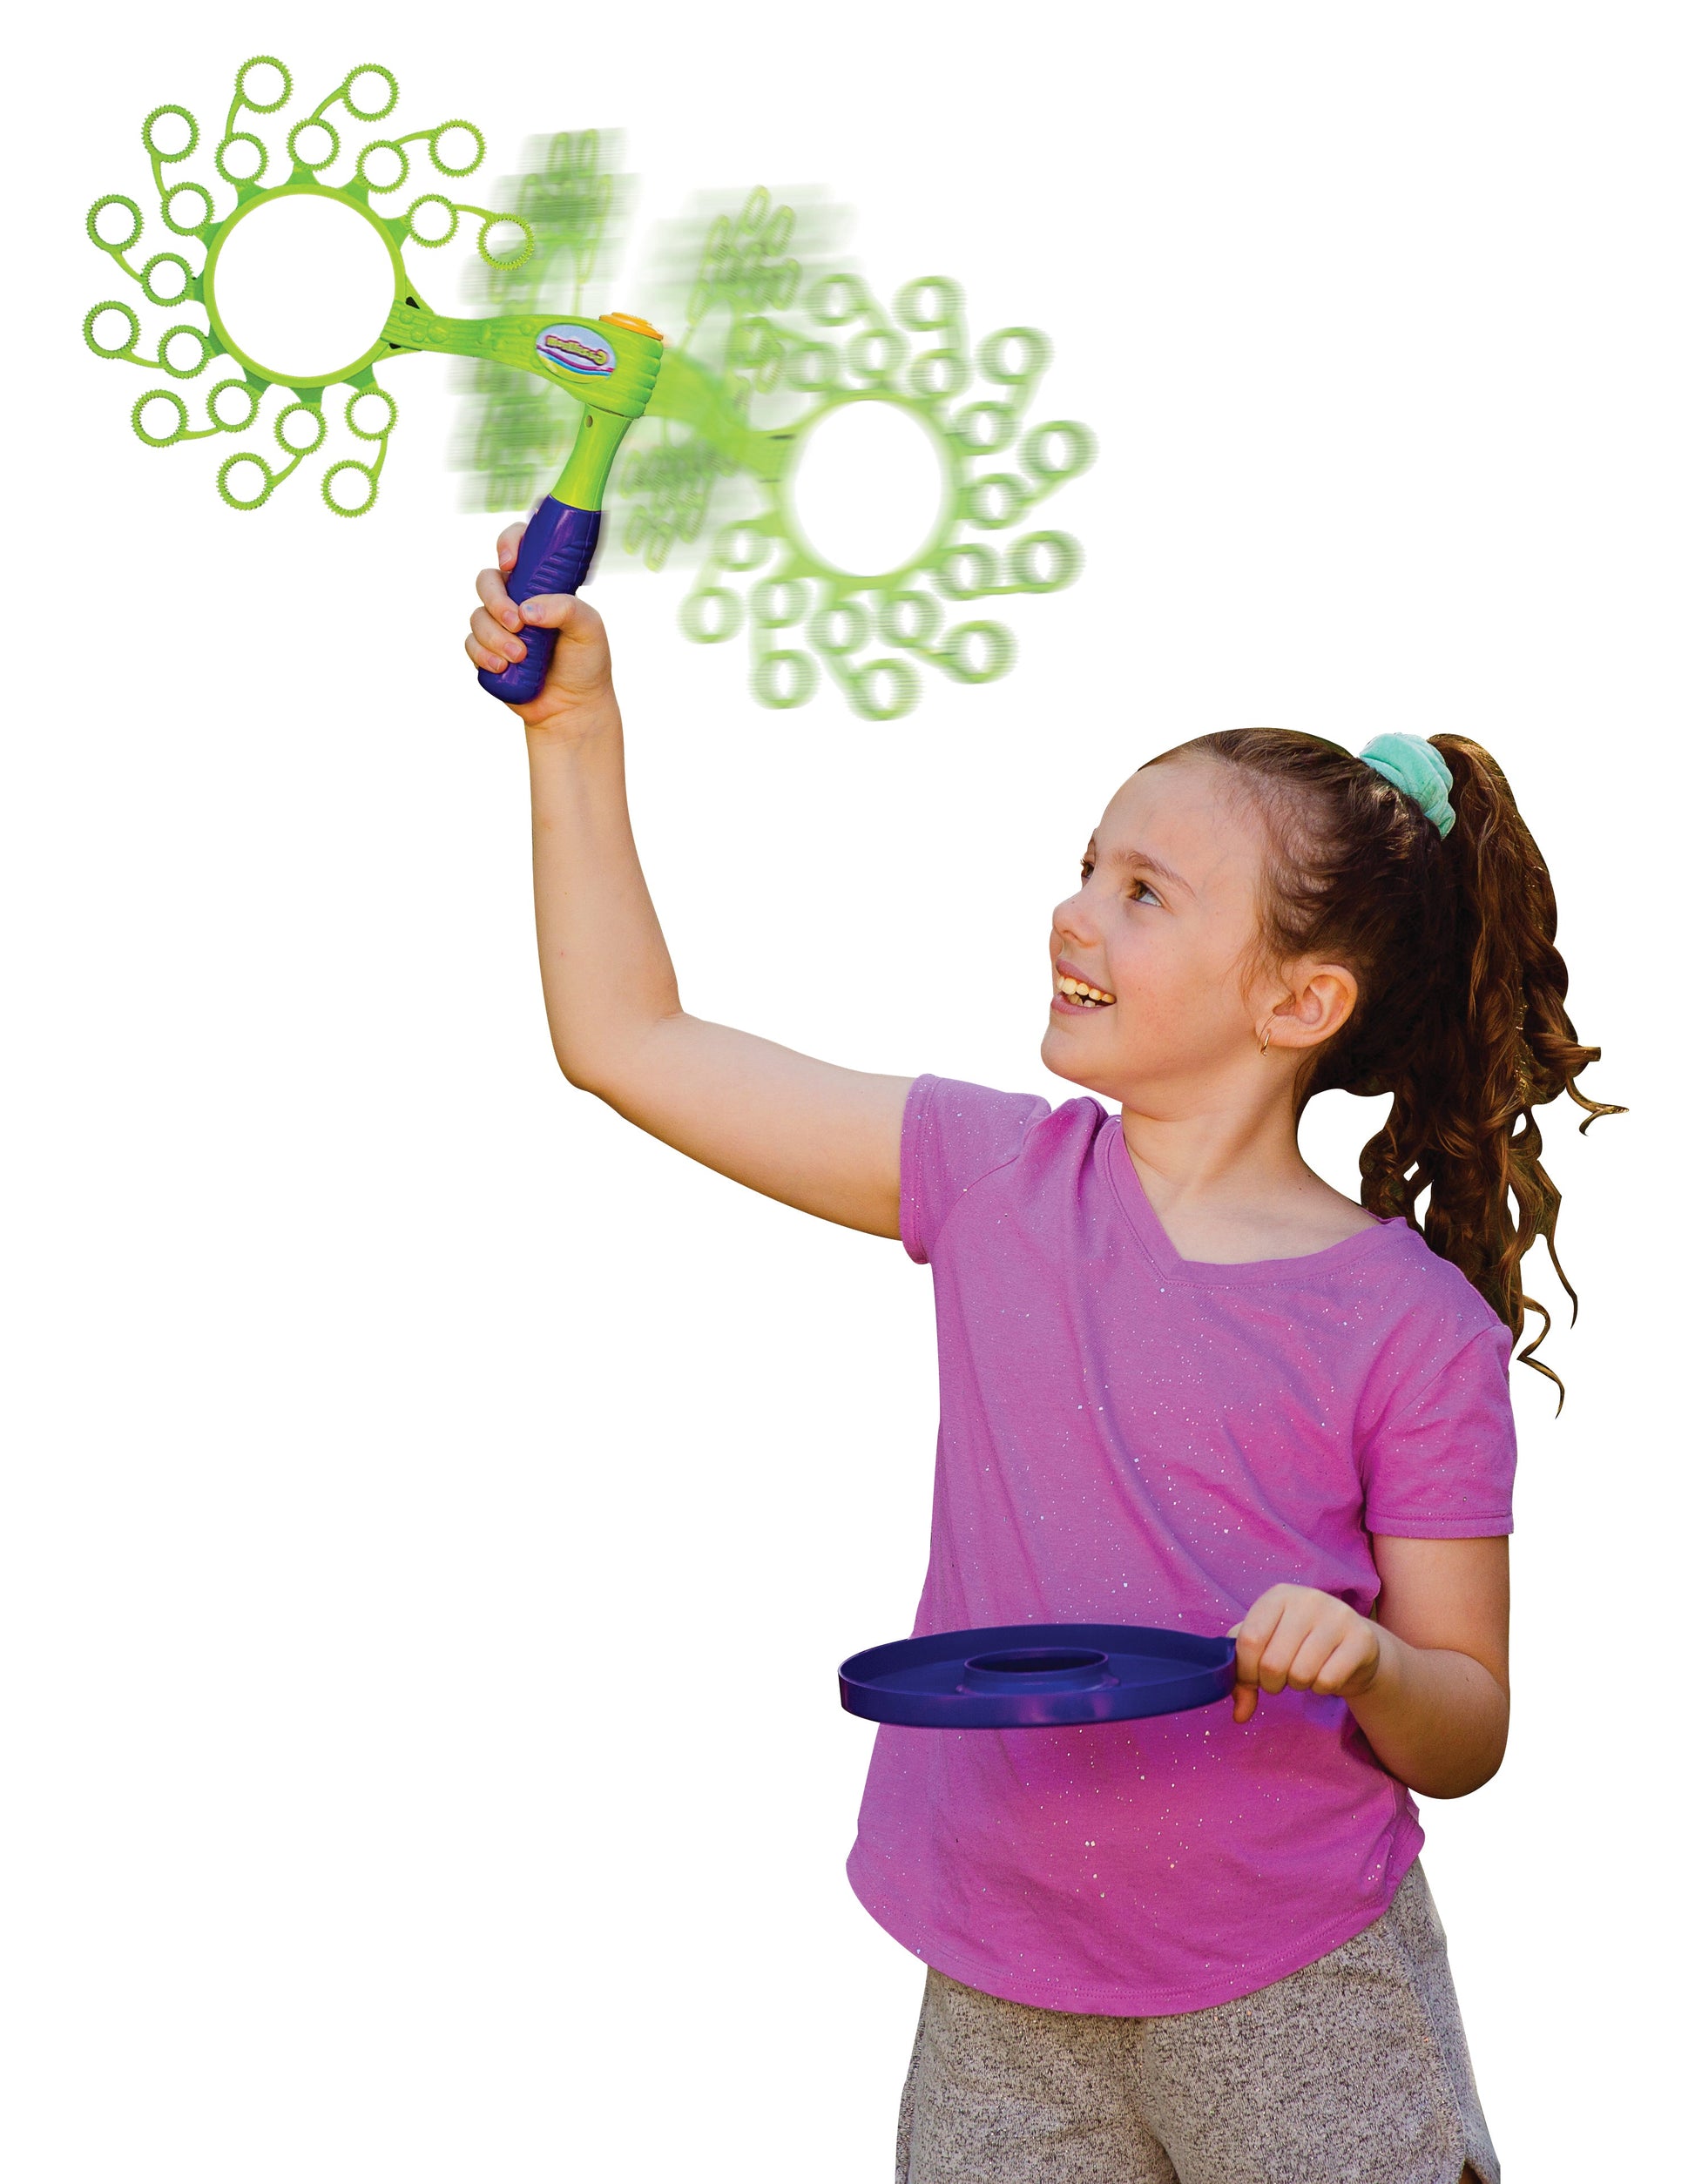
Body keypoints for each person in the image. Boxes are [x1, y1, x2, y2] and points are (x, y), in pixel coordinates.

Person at [466, 536, 1621, 2184]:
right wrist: (571, 734)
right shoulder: (991, 1178)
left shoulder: (1408, 1329)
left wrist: (1369, 1664)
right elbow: (626, 1042)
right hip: (999, 1977)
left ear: (1300, 1001)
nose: (1071, 911)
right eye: (1086, 865)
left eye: (1143, 891)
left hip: (1297, 1994)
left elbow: (1467, 1727)